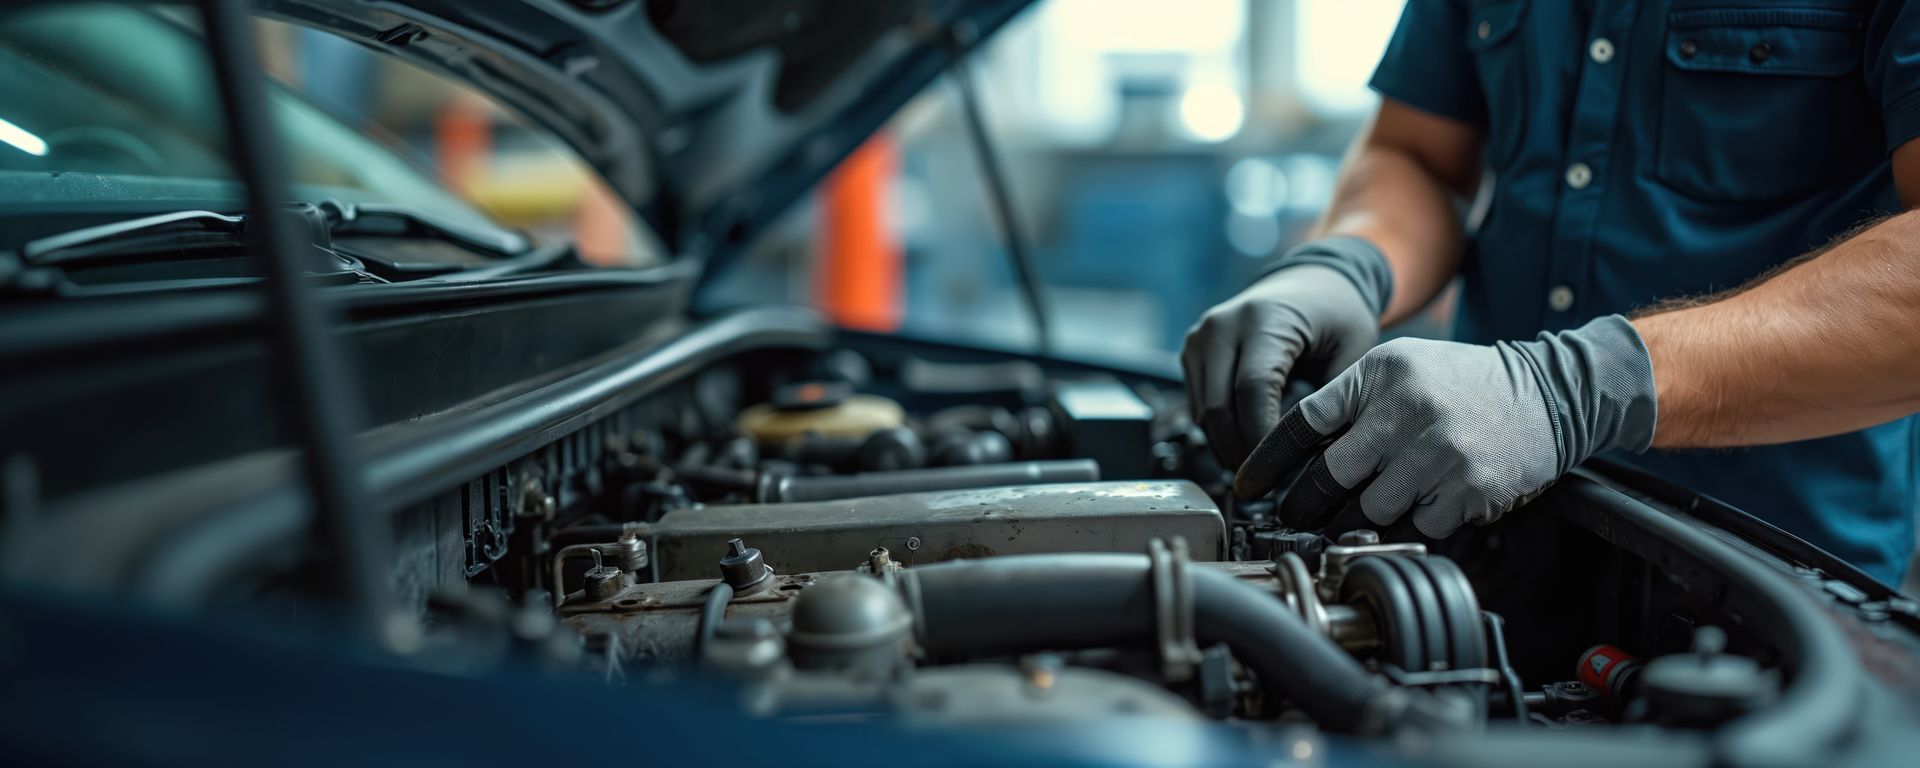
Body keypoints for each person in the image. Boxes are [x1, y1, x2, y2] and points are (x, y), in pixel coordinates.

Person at [1182, 0, 1920, 584]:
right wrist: (1348, 264)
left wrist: (1579, 388)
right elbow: (1418, 154)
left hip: (1768, 575)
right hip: (1473, 536)